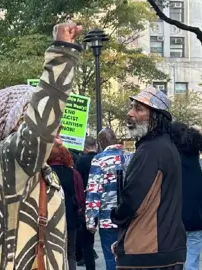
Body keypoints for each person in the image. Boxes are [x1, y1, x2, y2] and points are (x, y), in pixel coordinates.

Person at [0, 22, 83, 269]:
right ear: (16, 125)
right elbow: (41, 124)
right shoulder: (12, 157)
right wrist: (62, 52)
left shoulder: (25, 165)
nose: (59, 127)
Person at [111, 86, 186, 270]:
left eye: (139, 109)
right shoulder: (165, 147)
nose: (130, 113)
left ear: (156, 117)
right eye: (132, 107)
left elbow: (132, 202)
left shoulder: (150, 150)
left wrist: (116, 215)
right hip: (166, 249)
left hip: (147, 254)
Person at [86, 128, 131, 270]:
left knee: (111, 260)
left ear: (100, 142)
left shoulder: (99, 160)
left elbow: (94, 190)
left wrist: (91, 220)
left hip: (108, 219)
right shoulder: (130, 157)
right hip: (129, 218)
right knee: (128, 259)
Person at [48, 143, 85, 270]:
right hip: (70, 218)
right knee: (71, 253)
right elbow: (80, 198)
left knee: (52, 251)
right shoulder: (74, 174)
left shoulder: (44, 173)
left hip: (50, 218)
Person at [170, 122, 202, 270]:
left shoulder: (171, 157)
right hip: (197, 217)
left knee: (173, 261)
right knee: (192, 262)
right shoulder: (196, 157)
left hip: (175, 218)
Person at [74, 136, 98, 269]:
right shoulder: (101, 158)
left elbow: (77, 182)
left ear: (85, 147)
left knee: (87, 240)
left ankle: (90, 265)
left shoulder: (81, 161)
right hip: (102, 201)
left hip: (86, 202)